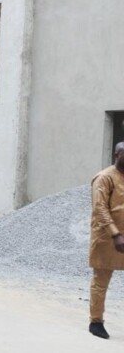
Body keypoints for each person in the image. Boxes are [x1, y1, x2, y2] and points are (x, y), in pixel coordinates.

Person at [87, 142, 124, 339]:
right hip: (107, 238)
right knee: (101, 281)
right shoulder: (104, 178)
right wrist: (116, 234)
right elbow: (100, 209)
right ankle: (96, 321)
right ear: (117, 155)